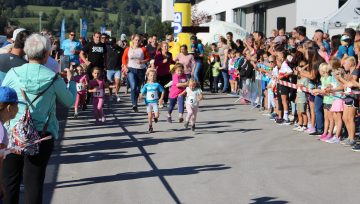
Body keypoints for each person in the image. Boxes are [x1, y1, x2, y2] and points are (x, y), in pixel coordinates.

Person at [1, 33, 76, 204]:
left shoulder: (13, 73)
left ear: (27, 53)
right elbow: (69, 101)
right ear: (46, 54)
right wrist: (71, 81)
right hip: (41, 136)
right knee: (33, 185)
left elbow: (3, 97)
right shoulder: (53, 77)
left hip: (13, 135)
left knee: (10, 184)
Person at [122, 34, 150, 112]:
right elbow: (124, 58)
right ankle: (134, 104)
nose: (137, 41)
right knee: (133, 86)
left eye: (139, 40)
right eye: (136, 40)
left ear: (141, 41)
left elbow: (148, 58)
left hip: (141, 70)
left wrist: (142, 61)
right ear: (133, 40)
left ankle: (136, 101)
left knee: (137, 88)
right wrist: (125, 66)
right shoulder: (128, 49)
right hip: (131, 69)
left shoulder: (143, 49)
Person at [312, 63, 335, 141]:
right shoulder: (322, 78)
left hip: (330, 100)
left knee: (331, 118)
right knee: (326, 118)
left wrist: (318, 90)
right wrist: (318, 92)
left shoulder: (329, 78)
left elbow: (327, 92)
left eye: (319, 70)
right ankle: (325, 132)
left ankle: (330, 133)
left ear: (323, 70)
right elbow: (323, 90)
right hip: (325, 100)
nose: (318, 71)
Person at [155, 41, 175, 107]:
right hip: (159, 74)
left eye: (167, 46)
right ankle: (160, 100)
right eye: (164, 46)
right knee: (160, 88)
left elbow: (171, 61)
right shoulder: (158, 54)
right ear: (161, 47)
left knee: (166, 88)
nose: (166, 48)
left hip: (167, 73)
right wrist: (162, 62)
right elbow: (156, 63)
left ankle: (165, 101)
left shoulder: (170, 54)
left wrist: (175, 62)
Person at [106, 37, 123, 102]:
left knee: (118, 83)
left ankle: (116, 94)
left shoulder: (120, 49)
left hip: (117, 68)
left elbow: (124, 57)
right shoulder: (107, 49)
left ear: (115, 43)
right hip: (109, 68)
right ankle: (110, 95)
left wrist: (124, 65)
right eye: (110, 43)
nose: (111, 45)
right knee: (110, 83)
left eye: (112, 43)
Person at [293, 60, 309, 132]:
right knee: (299, 112)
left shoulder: (306, 78)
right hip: (298, 96)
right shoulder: (299, 78)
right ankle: (300, 124)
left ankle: (305, 125)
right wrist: (296, 97)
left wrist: (303, 86)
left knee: (303, 112)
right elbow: (297, 89)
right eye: (300, 66)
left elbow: (308, 88)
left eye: (302, 66)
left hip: (303, 97)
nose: (301, 68)